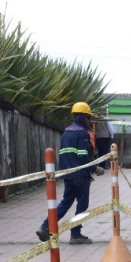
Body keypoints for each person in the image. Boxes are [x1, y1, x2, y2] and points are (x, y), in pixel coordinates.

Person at [35, 102, 101, 244]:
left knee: (65, 202)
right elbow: (83, 155)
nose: (90, 121)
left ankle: (45, 226)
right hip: (80, 174)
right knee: (82, 205)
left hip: (68, 174)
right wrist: (95, 169)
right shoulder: (82, 133)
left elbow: (64, 155)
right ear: (84, 117)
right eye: (89, 118)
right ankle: (75, 234)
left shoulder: (67, 132)